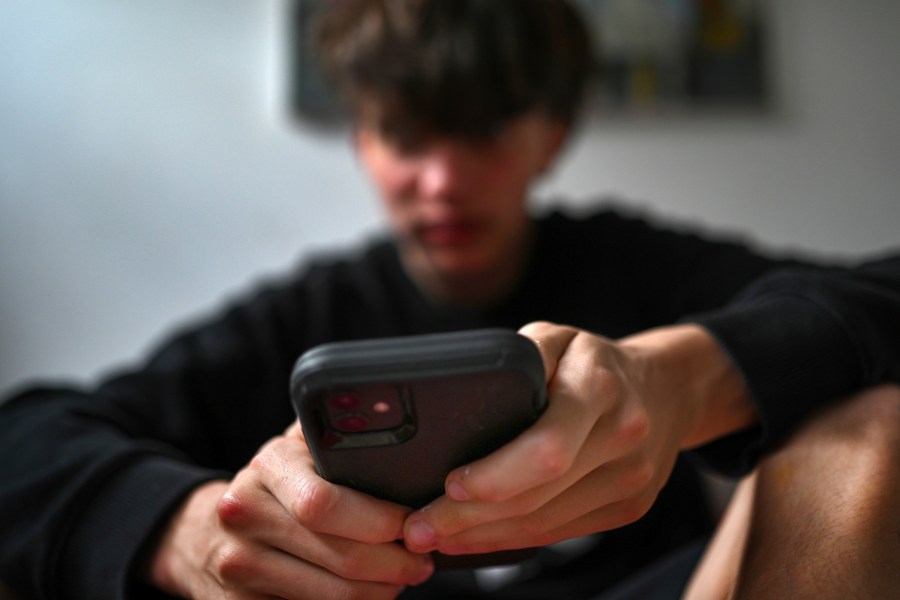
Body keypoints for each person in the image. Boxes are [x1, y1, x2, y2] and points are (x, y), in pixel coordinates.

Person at [1, 1, 899, 598]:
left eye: (485, 129)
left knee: (873, 427)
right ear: (361, 142)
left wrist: (682, 381)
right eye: (405, 134)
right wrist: (181, 532)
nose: (443, 180)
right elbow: (25, 438)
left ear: (551, 136)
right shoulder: (308, 316)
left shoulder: (631, 264)